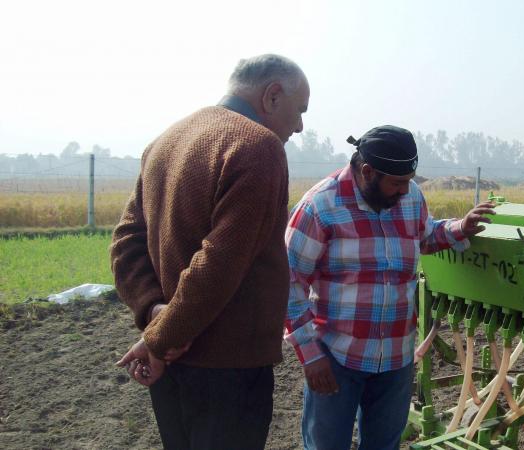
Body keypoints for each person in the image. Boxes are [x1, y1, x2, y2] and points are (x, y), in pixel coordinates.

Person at [111, 54, 309, 450]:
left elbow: (126, 241)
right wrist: (160, 338)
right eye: (299, 110)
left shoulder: (164, 142)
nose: (300, 125)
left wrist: (153, 313)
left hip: (170, 365)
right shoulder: (258, 147)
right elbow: (218, 262)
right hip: (228, 369)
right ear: (272, 96)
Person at [284, 125, 495, 450]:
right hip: (338, 357)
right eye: (397, 183)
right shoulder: (321, 206)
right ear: (367, 172)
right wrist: (311, 356)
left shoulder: (410, 197)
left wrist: (459, 227)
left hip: (396, 357)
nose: (403, 191)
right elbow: (288, 282)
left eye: (408, 182)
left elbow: (425, 235)